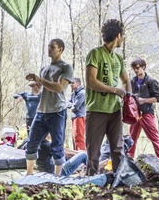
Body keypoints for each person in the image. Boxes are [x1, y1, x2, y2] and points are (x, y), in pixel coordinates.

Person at [85, 19, 131, 176]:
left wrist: (129, 98)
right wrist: (115, 90)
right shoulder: (95, 54)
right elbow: (90, 81)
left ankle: (120, 181)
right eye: (122, 35)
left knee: (118, 148)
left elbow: (126, 81)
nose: (122, 39)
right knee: (94, 150)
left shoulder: (118, 59)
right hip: (96, 108)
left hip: (115, 110)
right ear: (118, 36)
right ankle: (91, 182)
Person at [24, 38, 73, 176]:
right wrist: (35, 87)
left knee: (57, 147)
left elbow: (59, 87)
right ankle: (29, 174)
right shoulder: (44, 69)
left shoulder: (66, 67)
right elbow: (38, 92)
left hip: (57, 112)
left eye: (52, 46)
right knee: (31, 143)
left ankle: (57, 178)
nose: (49, 48)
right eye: (48, 46)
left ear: (60, 49)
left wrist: (40, 80)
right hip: (41, 111)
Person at [128, 58, 159, 162]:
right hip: (135, 114)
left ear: (143, 67)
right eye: (134, 69)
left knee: (154, 137)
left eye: (137, 68)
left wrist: (144, 100)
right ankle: (129, 158)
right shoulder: (132, 81)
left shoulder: (151, 81)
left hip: (147, 113)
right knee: (131, 138)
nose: (136, 70)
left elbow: (158, 98)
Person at [67, 77, 86, 150]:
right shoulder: (73, 94)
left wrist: (70, 105)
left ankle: (81, 155)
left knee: (79, 137)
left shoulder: (82, 93)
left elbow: (75, 107)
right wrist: (70, 104)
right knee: (75, 137)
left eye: (72, 83)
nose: (71, 85)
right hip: (74, 117)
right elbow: (68, 103)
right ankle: (77, 154)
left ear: (78, 83)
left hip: (79, 117)